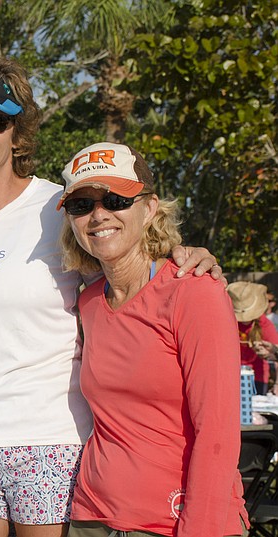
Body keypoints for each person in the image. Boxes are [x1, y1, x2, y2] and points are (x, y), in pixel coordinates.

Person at [0, 55, 222, 537]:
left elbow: (129, 259)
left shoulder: (62, 207)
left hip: (57, 444)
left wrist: (187, 254)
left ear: (17, 134)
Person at [58, 142, 247, 536]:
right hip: (91, 519)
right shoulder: (88, 303)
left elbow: (218, 431)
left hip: (173, 523)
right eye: (82, 205)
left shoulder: (193, 291)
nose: (98, 215)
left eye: (114, 199)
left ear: (148, 209)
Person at [227, 281, 278, 395]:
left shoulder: (265, 323)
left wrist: (277, 384)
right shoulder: (227, 322)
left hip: (257, 376)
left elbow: (276, 353)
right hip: (231, 374)